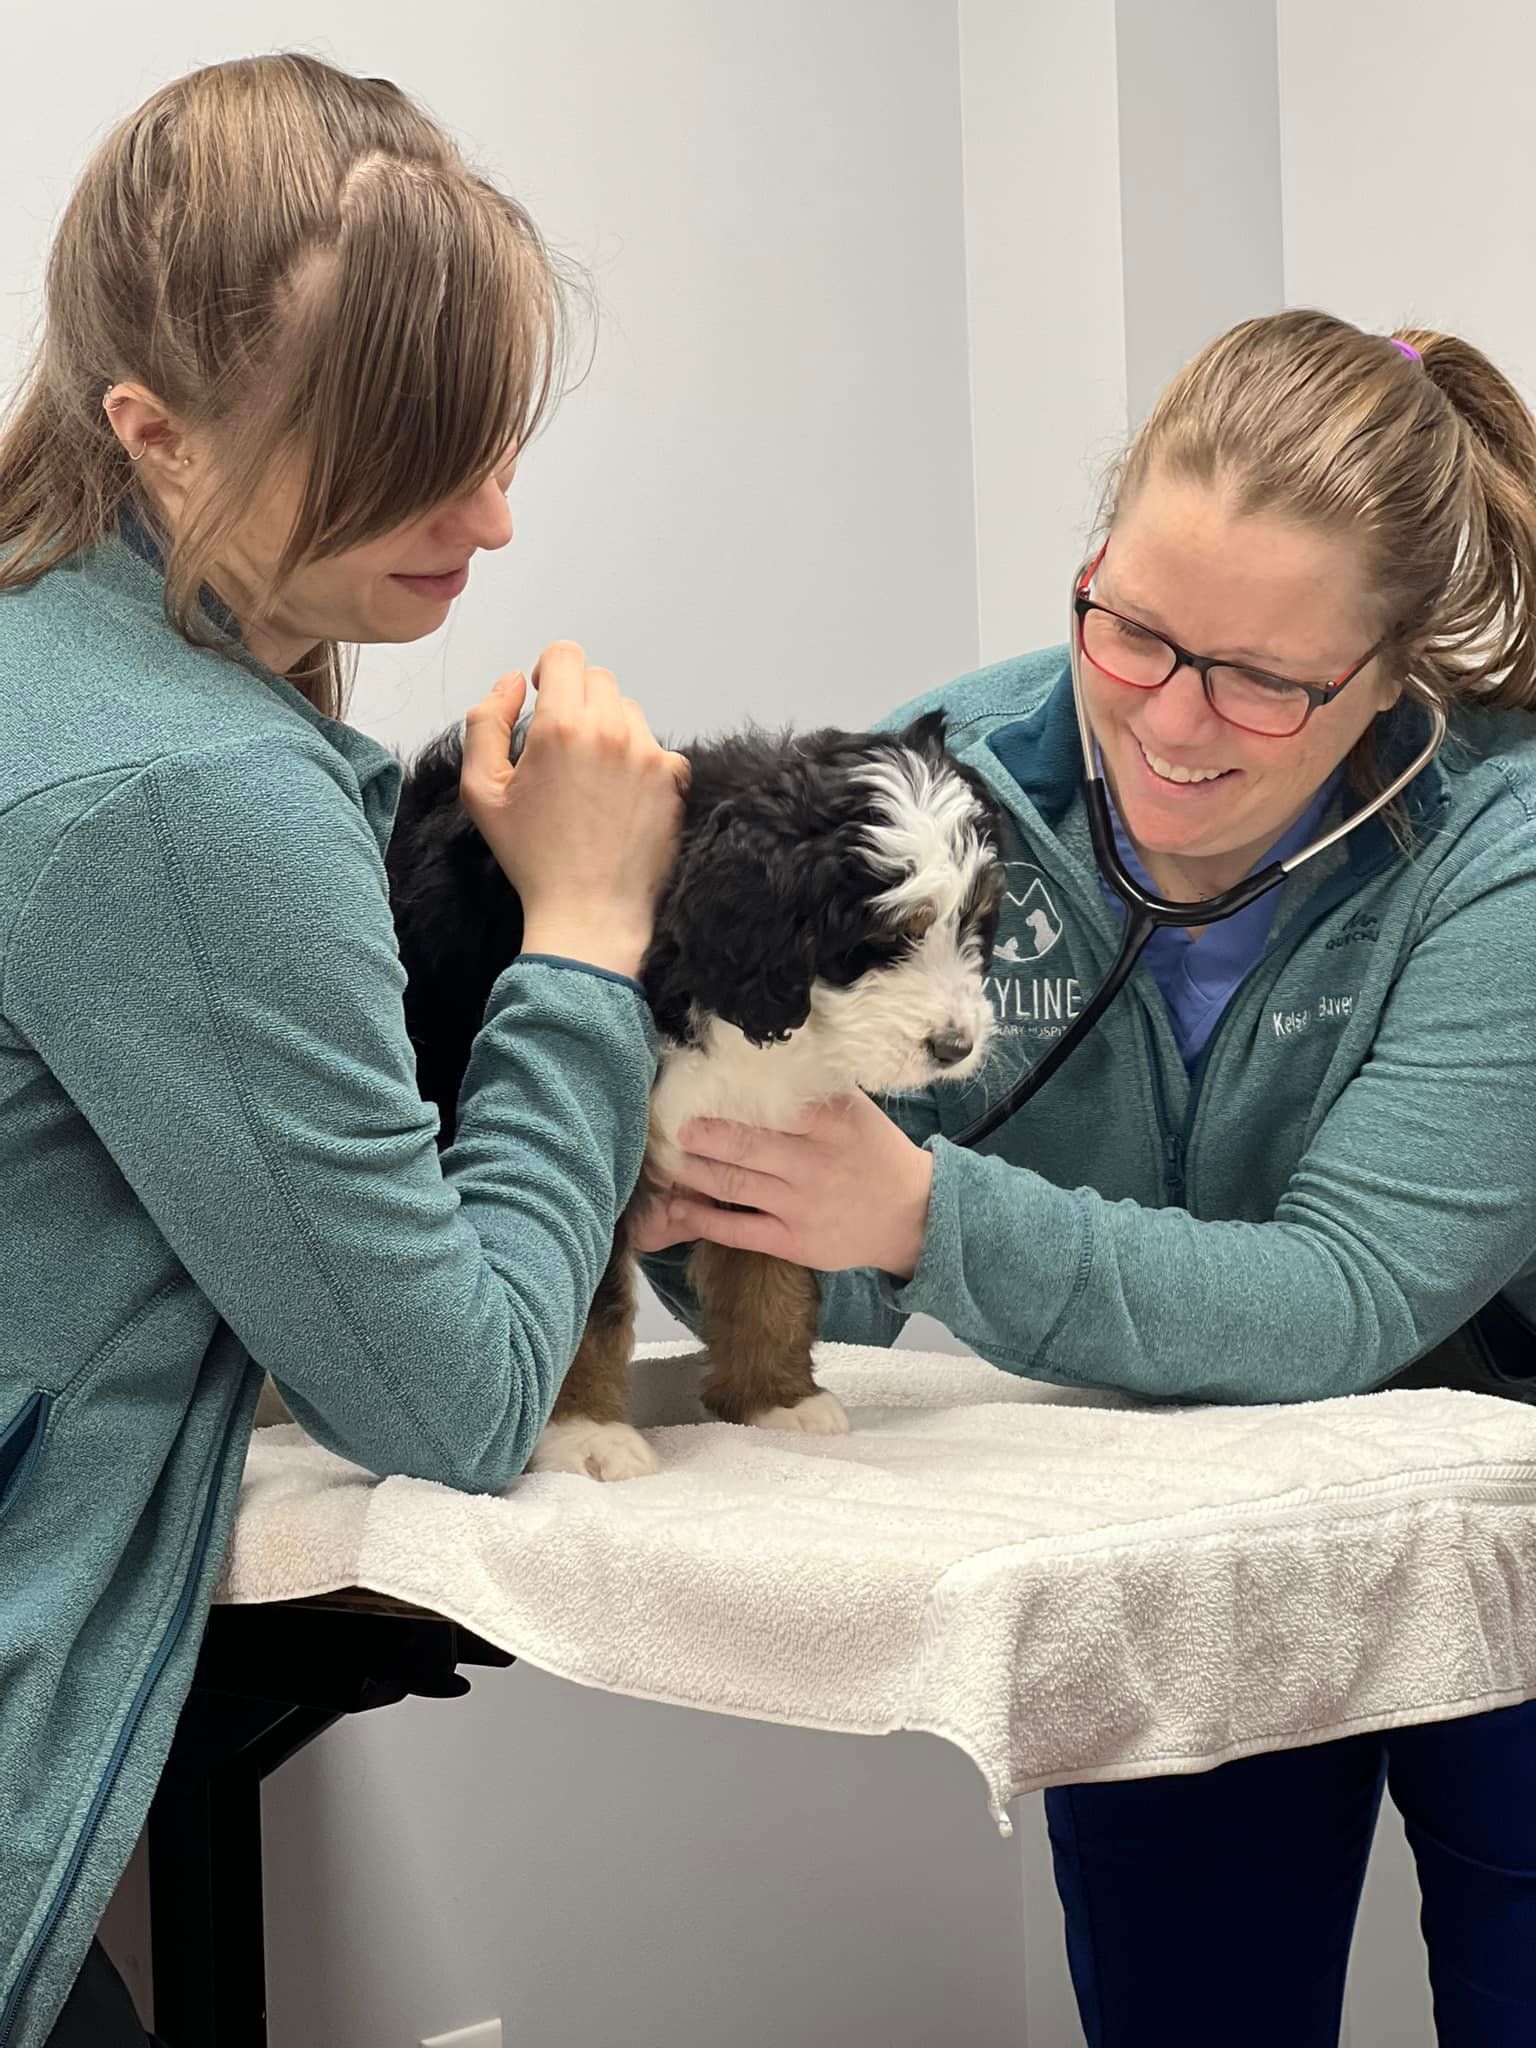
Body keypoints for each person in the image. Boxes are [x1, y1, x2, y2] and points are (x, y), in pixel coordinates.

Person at [637, 309, 1536, 2045]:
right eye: (1129, 631)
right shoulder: (948, 784)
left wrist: (919, 1213)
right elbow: (810, 1257)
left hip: (1509, 1516)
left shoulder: (1499, 849)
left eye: (1267, 679)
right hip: (1166, 1511)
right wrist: (699, 1206)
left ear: (1393, 669)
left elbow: (1343, 1297)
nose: (1173, 725)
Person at [0, 54, 686, 2047]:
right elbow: (454, 1397)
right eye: (401, 456)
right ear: (156, 434)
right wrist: (585, 921)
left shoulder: (59, 655)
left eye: (482, 440)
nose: (485, 517)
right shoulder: (181, 784)